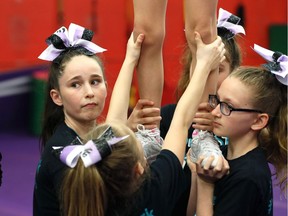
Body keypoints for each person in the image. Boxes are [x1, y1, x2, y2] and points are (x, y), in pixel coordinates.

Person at [57, 30, 227, 216]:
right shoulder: (155, 190)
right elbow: (181, 122)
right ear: (139, 169)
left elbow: (114, 125)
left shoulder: (88, 199)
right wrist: (204, 64)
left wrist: (131, 59)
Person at [33, 23, 160, 216]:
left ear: (106, 86)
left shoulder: (88, 140)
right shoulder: (63, 152)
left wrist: (130, 59)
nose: (89, 92)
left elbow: (112, 129)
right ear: (56, 96)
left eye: (95, 82)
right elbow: (109, 135)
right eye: (75, 85)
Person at [160, 8, 246, 215]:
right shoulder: (170, 117)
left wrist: (221, 130)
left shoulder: (241, 122)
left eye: (219, 68)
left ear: (235, 71)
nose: (210, 74)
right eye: (202, 66)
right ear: (192, 70)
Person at [188, 46, 287, 215]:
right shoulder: (224, 154)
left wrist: (205, 185)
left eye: (228, 106)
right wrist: (195, 174)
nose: (215, 112)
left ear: (258, 121)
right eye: (217, 100)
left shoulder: (247, 177)